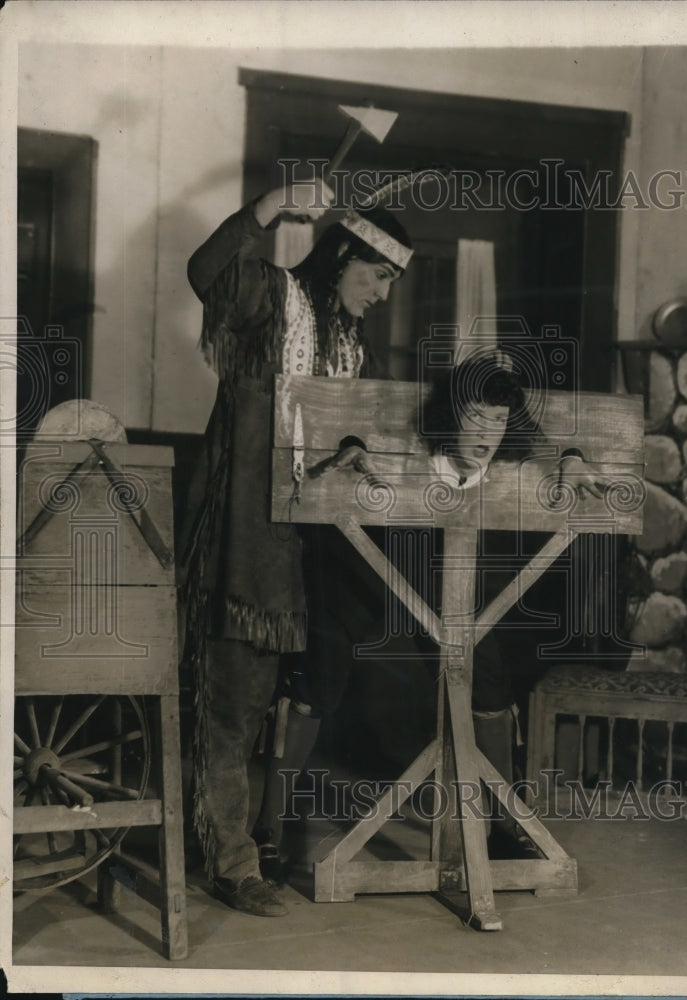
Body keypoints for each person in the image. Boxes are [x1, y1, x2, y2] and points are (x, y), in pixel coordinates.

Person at [254, 349, 606, 872]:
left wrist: (574, 457)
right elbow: (344, 428)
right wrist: (351, 444)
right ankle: (269, 823)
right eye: (475, 418)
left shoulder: (512, 446)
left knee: (487, 677)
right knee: (319, 675)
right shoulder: (415, 436)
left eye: (498, 421)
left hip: (448, 556)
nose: (486, 434)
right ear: (449, 415)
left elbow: (560, 438)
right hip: (367, 550)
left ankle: (504, 820)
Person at [177, 178, 413, 916]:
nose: (380, 293)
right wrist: (269, 205)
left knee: (305, 684)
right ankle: (231, 860)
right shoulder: (272, 298)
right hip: (246, 526)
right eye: (374, 275)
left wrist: (348, 459)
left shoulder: (350, 344)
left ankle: (258, 839)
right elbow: (205, 272)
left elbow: (326, 441)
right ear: (339, 256)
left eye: (389, 283)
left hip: (306, 539)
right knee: (233, 696)